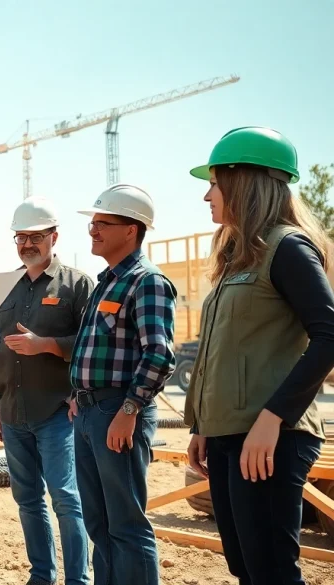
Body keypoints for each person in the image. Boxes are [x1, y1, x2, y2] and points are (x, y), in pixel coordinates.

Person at [184, 127, 334, 585]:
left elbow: (329, 336)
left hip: (273, 437)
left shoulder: (288, 247)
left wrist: (273, 419)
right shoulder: (238, 257)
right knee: (245, 567)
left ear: (243, 181)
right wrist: (201, 426)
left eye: (213, 183)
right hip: (231, 436)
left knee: (271, 572)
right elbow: (221, 352)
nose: (207, 195)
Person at [69, 183, 177, 585]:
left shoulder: (147, 281)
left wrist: (129, 410)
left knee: (127, 526)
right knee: (99, 523)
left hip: (118, 414)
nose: (93, 230)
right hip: (89, 413)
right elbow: (95, 349)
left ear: (131, 230)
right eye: (93, 223)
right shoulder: (106, 282)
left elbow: (158, 355)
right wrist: (76, 396)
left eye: (103, 223)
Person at [0, 197, 93, 585]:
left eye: (35, 237)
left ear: (54, 236)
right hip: (13, 415)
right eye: (21, 237)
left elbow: (90, 344)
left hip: (57, 414)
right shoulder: (6, 287)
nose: (27, 244)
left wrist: (45, 344)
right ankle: (41, 576)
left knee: (66, 499)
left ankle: (77, 579)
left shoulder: (77, 285)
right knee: (28, 501)